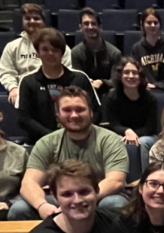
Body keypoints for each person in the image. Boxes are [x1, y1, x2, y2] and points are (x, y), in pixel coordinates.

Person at [9, 86, 129, 220]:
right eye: (67, 110)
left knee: (115, 204)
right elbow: (28, 183)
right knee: (19, 209)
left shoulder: (110, 140)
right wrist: (42, 205)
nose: (74, 115)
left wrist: (80, 201)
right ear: (58, 115)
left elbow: (115, 181)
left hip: (99, 197)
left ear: (90, 112)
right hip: (60, 198)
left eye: (80, 109)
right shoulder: (46, 142)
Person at [17, 27, 99, 145]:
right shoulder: (28, 82)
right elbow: (24, 119)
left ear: (62, 52)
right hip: (40, 143)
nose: (50, 53)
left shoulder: (80, 78)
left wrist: (77, 132)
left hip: (79, 141)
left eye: (55, 50)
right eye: (45, 49)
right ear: (37, 52)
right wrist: (53, 137)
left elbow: (95, 112)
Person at [0, 2, 72, 106]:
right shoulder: (12, 47)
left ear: (44, 21)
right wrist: (13, 88)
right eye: (28, 18)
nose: (32, 21)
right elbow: (7, 72)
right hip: (23, 91)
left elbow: (68, 69)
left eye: (36, 18)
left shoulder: (59, 46)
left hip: (55, 90)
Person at [102, 56, 160, 169]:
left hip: (146, 135)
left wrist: (134, 134)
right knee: (116, 141)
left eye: (134, 73)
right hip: (121, 134)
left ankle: (146, 178)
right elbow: (113, 124)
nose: (131, 76)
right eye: (126, 72)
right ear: (121, 75)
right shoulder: (112, 96)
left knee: (143, 142)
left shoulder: (150, 98)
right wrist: (127, 131)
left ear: (140, 76)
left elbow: (151, 127)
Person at [70, 7, 122, 101]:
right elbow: (76, 79)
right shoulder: (75, 52)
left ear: (100, 27)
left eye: (93, 23)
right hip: (84, 96)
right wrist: (86, 82)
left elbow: (116, 81)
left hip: (109, 96)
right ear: (80, 28)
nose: (90, 27)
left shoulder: (115, 53)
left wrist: (102, 82)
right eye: (86, 24)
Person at [131, 7, 164, 98]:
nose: (153, 25)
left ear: (160, 24)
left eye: (155, 23)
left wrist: (157, 85)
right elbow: (136, 73)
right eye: (149, 23)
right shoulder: (137, 48)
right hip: (144, 93)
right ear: (142, 25)